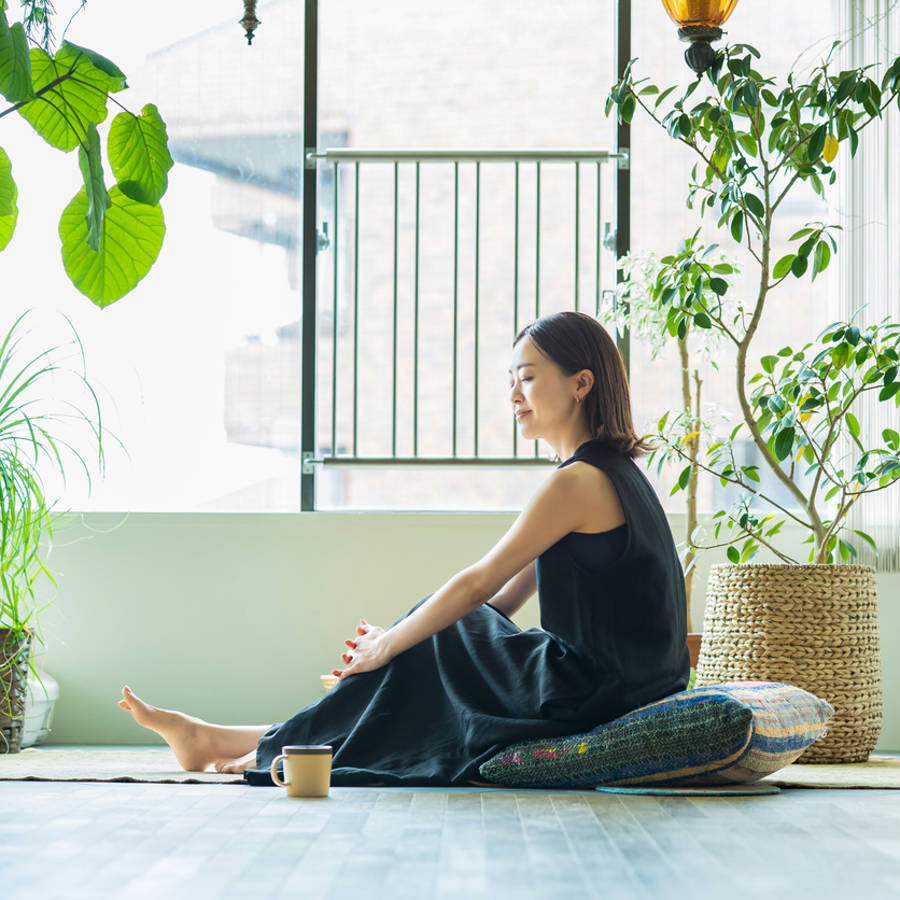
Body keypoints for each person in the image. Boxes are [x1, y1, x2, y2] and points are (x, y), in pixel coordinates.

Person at [119, 311, 690, 785]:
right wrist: (397, 654)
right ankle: (229, 739)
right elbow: (502, 601)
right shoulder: (613, 475)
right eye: (512, 379)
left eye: (529, 377)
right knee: (438, 639)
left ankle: (258, 746)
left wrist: (389, 645)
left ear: (581, 383)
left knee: (439, 629)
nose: (513, 394)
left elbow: (478, 584)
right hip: (623, 680)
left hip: (592, 690)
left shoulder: (577, 483)